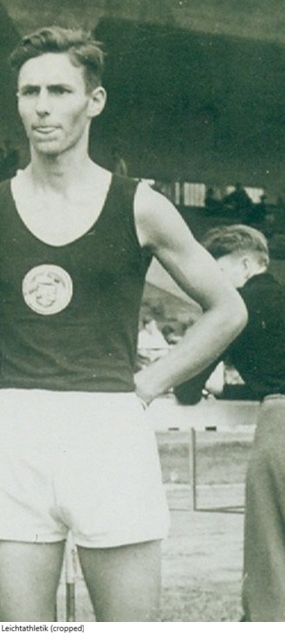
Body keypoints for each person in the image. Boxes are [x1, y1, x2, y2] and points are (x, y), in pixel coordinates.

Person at [0, 26, 246, 622]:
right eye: (30, 92)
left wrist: (147, 385)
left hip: (109, 426)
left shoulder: (141, 206)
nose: (43, 106)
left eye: (60, 90)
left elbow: (228, 309)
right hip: (16, 434)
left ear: (94, 100)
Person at [175, 224, 285, 621]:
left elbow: (187, 388)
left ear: (245, 265)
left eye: (217, 270)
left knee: (270, 546)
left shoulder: (233, 308)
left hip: (280, 424)